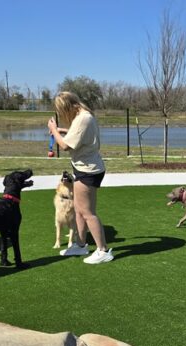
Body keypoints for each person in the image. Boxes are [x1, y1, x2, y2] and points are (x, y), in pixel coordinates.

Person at [48, 91, 113, 264]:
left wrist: (54, 130)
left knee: (87, 212)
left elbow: (65, 145)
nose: (62, 115)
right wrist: (62, 130)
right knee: (78, 209)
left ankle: (103, 250)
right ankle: (81, 245)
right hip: (83, 168)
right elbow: (78, 133)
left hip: (88, 170)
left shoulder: (83, 118)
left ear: (67, 107)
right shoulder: (84, 116)